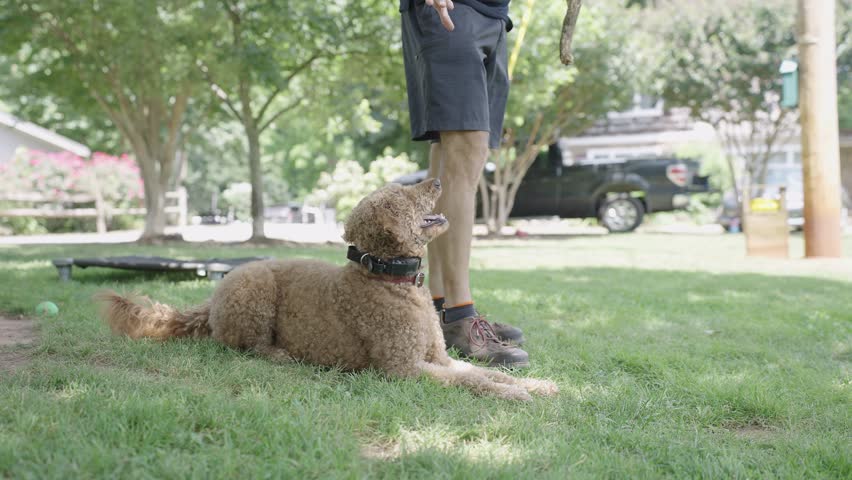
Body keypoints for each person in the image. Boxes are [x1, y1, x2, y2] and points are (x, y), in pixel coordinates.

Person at [399, 0, 529, 367]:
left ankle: (438, 306)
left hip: (494, 16)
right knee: (466, 149)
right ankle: (460, 314)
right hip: (451, 10)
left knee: (451, 153)